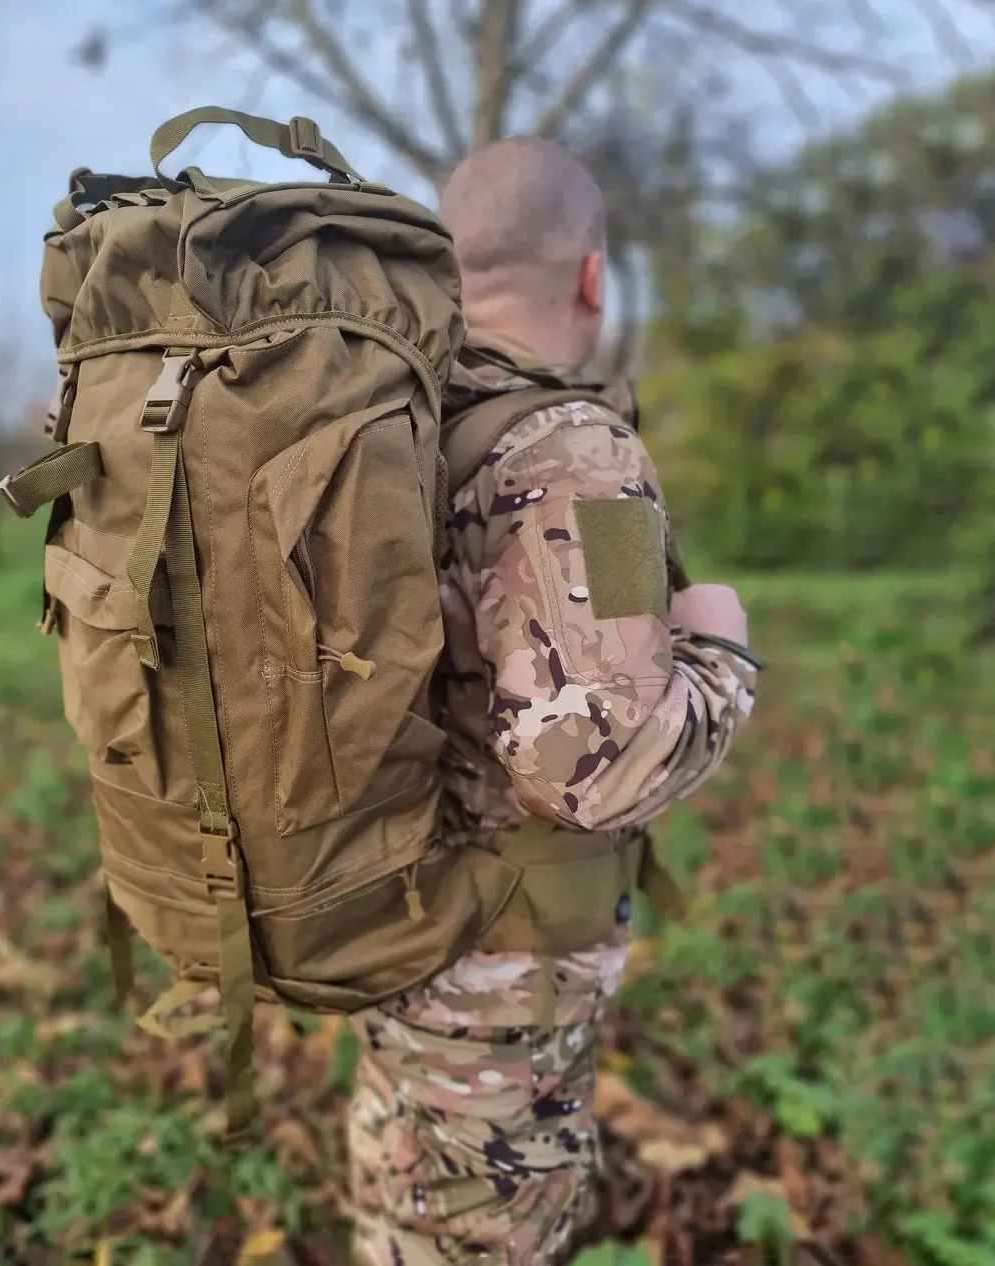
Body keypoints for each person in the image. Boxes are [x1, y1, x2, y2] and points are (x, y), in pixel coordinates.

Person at [346, 137, 760, 1265]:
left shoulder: (385, 425)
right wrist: (722, 652)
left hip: (387, 918)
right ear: (592, 277)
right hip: (502, 977)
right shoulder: (583, 460)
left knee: (404, 1204)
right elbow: (604, 763)